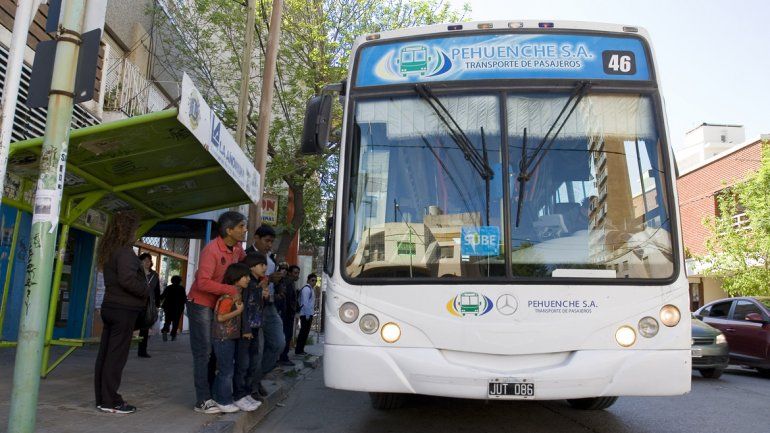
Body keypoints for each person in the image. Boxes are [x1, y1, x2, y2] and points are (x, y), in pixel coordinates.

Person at [187, 211, 247, 414]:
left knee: (217, 352)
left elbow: (244, 268)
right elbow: (202, 282)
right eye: (241, 226)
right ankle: (202, 400)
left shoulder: (238, 249)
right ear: (229, 230)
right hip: (201, 304)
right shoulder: (211, 250)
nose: (245, 230)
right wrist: (231, 290)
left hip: (219, 305)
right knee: (203, 352)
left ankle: (216, 395)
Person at [94, 211, 148, 414]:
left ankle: (102, 398)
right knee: (116, 357)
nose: (136, 232)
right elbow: (127, 279)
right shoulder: (125, 252)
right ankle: (111, 401)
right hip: (123, 310)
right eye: (135, 229)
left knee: (106, 355)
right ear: (128, 230)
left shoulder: (110, 249)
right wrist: (146, 291)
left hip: (111, 307)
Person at [211, 262, 259, 413]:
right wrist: (238, 312)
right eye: (244, 276)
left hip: (229, 338)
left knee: (227, 369)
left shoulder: (236, 294)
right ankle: (222, 400)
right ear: (235, 277)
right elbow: (220, 318)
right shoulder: (227, 297)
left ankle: (222, 398)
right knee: (226, 371)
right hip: (223, 338)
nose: (248, 279)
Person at [245, 225, 285, 385]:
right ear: (256, 238)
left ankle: (257, 379)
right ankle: (250, 384)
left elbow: (275, 281)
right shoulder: (246, 256)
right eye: (267, 241)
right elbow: (246, 282)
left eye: (272, 242)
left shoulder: (271, 258)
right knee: (256, 349)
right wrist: (268, 279)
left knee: (278, 343)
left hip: (270, 305)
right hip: (253, 307)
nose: (269, 245)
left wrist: (279, 285)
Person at [233, 252, 269, 410]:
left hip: (255, 328)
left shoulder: (258, 284)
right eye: (262, 265)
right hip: (246, 330)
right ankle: (238, 394)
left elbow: (258, 307)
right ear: (252, 267)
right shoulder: (248, 285)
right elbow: (245, 309)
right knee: (243, 362)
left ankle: (247, 392)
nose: (265, 268)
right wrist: (246, 329)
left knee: (252, 361)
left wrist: (265, 297)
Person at [137, 253, 161, 358]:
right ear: (140, 261)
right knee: (129, 325)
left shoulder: (154, 275)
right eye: (145, 260)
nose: (148, 262)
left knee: (145, 327)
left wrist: (157, 305)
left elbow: (157, 291)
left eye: (149, 260)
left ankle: (142, 351)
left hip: (148, 304)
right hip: (135, 302)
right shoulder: (136, 273)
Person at [277, 265, 300, 366]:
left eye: (298, 273)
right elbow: (288, 300)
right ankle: (283, 357)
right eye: (295, 273)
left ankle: (283, 356)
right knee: (286, 335)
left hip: (288, 313)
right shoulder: (288, 283)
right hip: (286, 314)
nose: (297, 275)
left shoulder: (290, 283)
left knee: (288, 335)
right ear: (290, 273)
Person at [295, 274, 317, 356]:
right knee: (303, 333)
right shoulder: (306, 290)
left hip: (308, 314)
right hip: (305, 315)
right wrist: (308, 315)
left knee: (305, 333)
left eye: (315, 280)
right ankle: (298, 350)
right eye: (312, 280)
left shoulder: (311, 289)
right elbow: (305, 303)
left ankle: (301, 350)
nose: (314, 282)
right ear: (308, 280)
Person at [160, 275, 186, 341]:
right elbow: (184, 299)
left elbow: (162, 296)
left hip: (168, 307)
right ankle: (173, 336)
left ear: (172, 280)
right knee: (176, 322)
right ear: (180, 281)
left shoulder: (168, 287)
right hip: (178, 308)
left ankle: (165, 331)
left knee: (167, 320)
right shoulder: (181, 288)